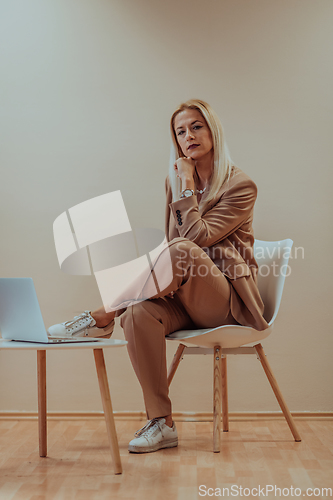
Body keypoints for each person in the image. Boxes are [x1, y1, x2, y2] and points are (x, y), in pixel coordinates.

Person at [48, 99, 269, 453]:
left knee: (182, 251)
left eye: (196, 126)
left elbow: (193, 240)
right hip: (186, 293)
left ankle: (101, 315)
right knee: (138, 313)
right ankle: (162, 422)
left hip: (226, 303)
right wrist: (150, 286)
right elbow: (172, 244)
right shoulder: (176, 181)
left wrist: (185, 188)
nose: (188, 136)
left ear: (213, 130)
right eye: (180, 131)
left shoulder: (240, 185)